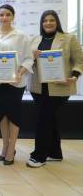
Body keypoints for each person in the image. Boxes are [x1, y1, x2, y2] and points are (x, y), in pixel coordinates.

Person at [27, 10, 83, 168]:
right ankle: (55, 152)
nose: (48, 23)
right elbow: (27, 62)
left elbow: (79, 60)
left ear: (57, 22)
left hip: (60, 87)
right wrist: (33, 56)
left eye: (51, 20)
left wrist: (74, 76)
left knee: (43, 119)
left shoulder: (69, 38)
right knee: (50, 118)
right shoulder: (35, 39)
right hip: (38, 88)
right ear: (41, 23)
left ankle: (39, 156)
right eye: (45, 20)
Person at [0, 4, 33, 165]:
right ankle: (5, 146)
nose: (4, 17)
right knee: (1, 114)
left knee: (13, 114)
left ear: (13, 17)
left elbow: (29, 58)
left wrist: (19, 73)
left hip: (15, 82)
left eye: (8, 14)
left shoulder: (22, 36)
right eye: (1, 15)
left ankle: (12, 147)